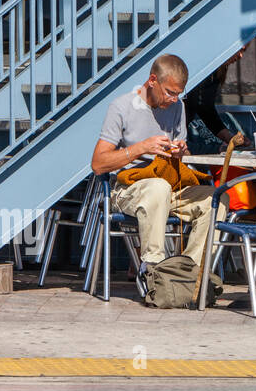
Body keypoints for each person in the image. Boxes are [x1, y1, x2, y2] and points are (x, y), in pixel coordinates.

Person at [90, 54, 217, 296]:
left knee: (215, 198)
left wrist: (182, 151)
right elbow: (98, 164)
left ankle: (189, 273)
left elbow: (183, 151)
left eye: (179, 94)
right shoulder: (122, 107)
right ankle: (154, 271)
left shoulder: (177, 107)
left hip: (169, 187)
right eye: (169, 92)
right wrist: (141, 148)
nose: (174, 99)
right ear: (152, 81)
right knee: (158, 187)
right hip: (127, 190)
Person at [184, 43, 250, 152]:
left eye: (244, 51)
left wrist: (230, 139)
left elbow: (206, 110)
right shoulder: (198, 67)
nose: (241, 56)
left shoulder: (215, 73)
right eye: (240, 50)